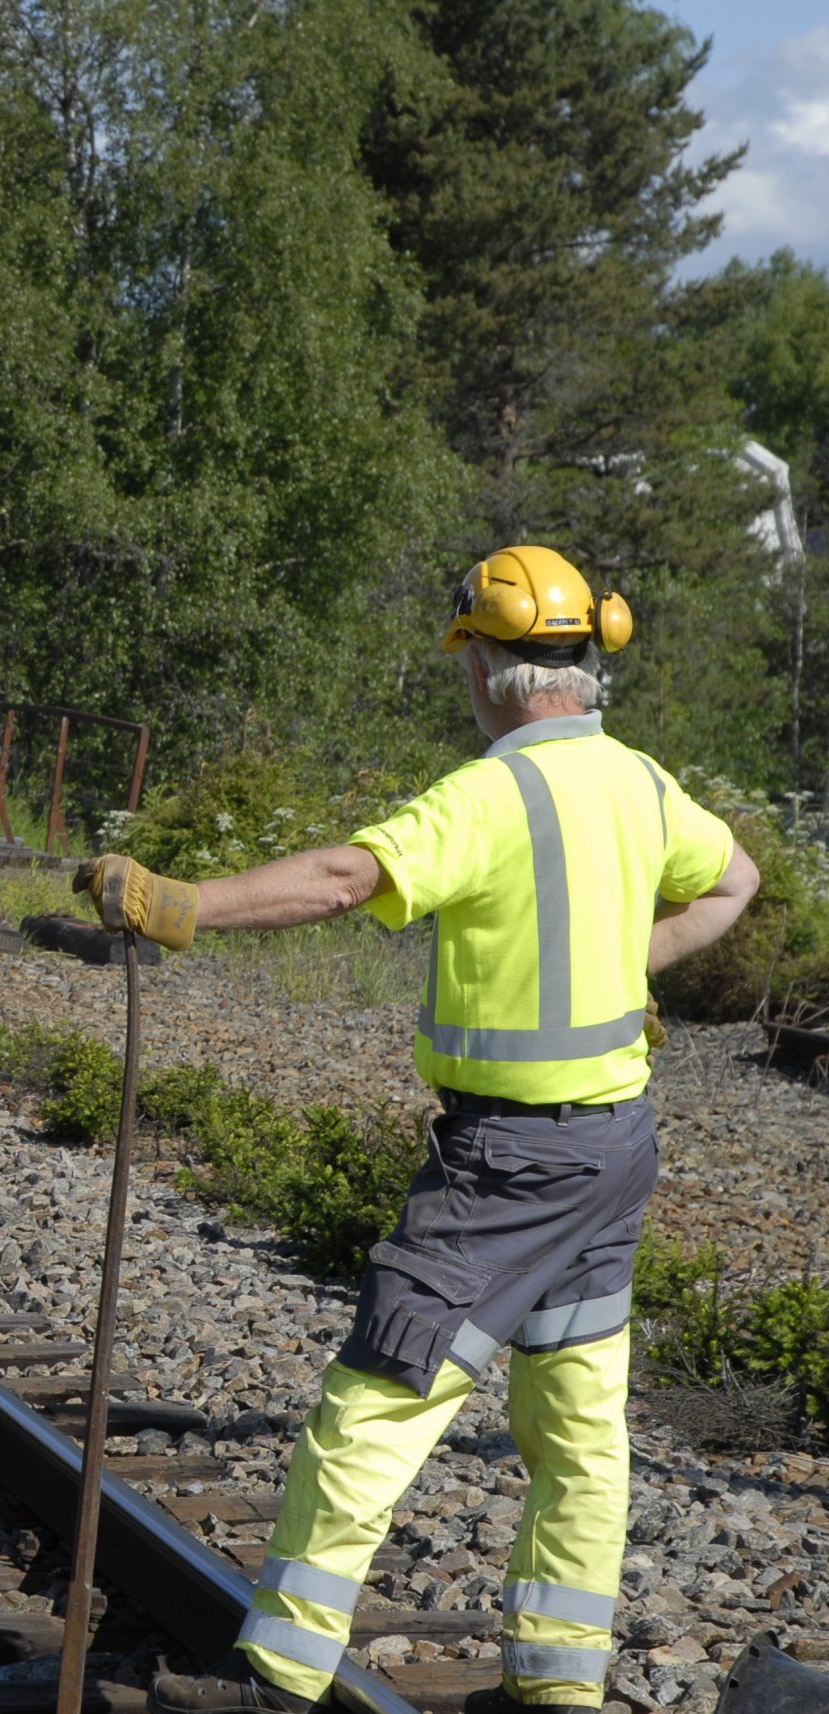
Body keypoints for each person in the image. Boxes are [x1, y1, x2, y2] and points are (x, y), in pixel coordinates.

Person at [85, 546, 762, 1714]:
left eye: (468, 663)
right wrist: (626, 963)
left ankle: (280, 1677)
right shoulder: (642, 782)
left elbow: (346, 878)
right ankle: (557, 1690)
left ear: (495, 667)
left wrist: (183, 905)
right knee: (577, 1427)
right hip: (612, 1153)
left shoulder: (491, 792)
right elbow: (734, 878)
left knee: (373, 1404)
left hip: (507, 1163)